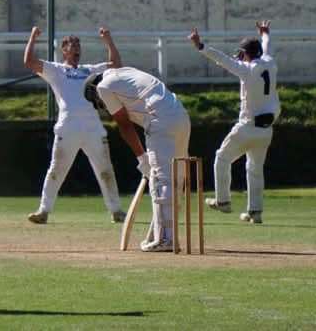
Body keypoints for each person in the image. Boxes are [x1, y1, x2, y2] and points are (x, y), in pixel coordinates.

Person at [24, 26, 125, 224]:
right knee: (56, 169)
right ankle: (43, 211)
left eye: (79, 46)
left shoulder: (89, 70)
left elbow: (116, 65)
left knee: (105, 169)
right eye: (73, 46)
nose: (77, 49)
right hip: (68, 126)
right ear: (64, 49)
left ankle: (116, 211)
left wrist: (108, 41)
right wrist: (33, 37)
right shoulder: (56, 70)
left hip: (93, 128)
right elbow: (29, 62)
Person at [84, 66, 191, 252]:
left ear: (94, 89)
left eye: (99, 103)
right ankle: (163, 233)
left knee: (161, 180)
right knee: (177, 178)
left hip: (159, 120)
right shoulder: (126, 72)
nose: (103, 106)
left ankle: (166, 239)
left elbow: (124, 125)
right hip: (180, 115)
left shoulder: (102, 87)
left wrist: (142, 158)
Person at [188, 21, 280, 224]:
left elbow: (221, 59)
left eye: (242, 53)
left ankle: (223, 201)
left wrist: (200, 46)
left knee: (222, 158)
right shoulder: (270, 62)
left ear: (246, 53)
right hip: (266, 130)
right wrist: (265, 33)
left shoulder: (245, 69)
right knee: (255, 169)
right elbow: (267, 46)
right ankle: (255, 212)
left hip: (247, 127)